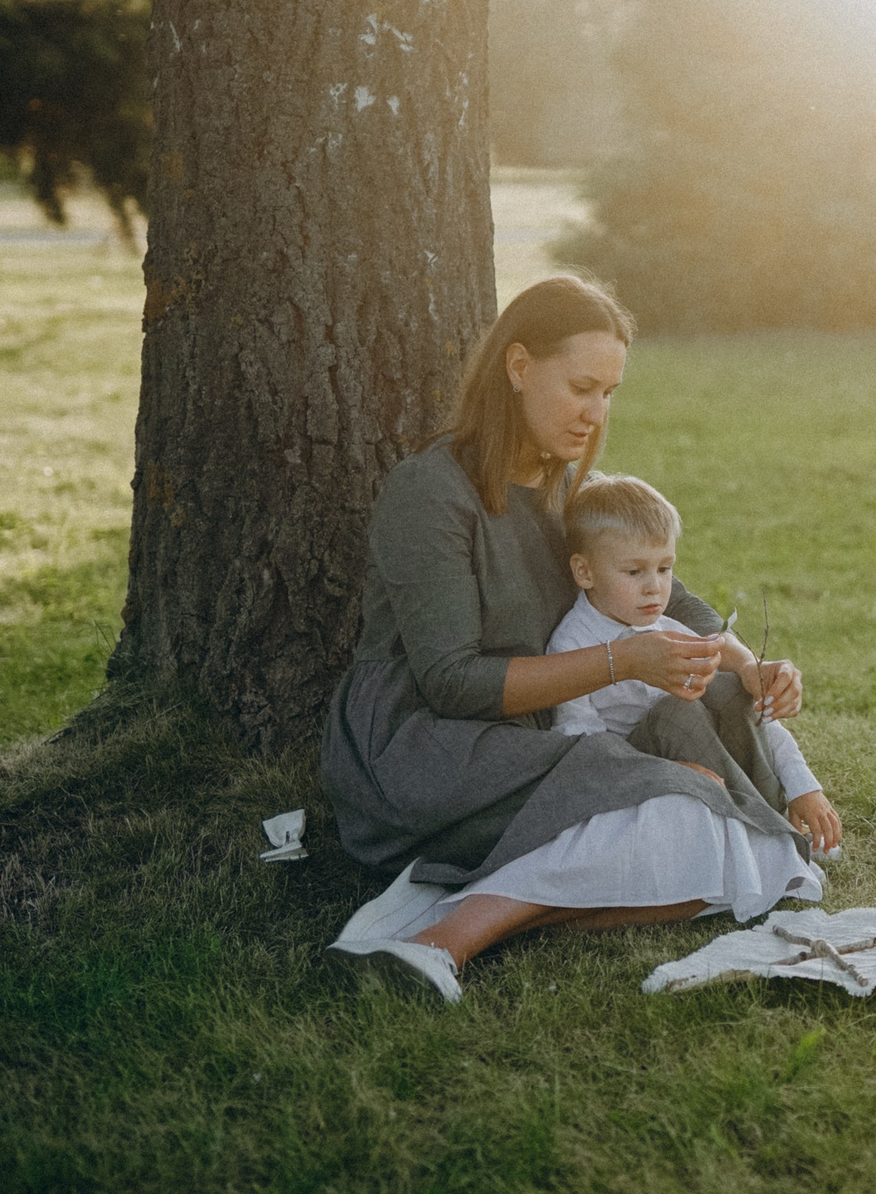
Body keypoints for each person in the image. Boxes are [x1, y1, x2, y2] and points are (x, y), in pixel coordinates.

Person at [320, 275, 821, 1003]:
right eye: (582, 386)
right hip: (427, 746)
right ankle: (442, 944)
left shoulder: (560, 484)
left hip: (539, 737)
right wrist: (621, 660)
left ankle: (487, 915)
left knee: (725, 826)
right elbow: (451, 682)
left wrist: (748, 663)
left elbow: (667, 595)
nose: (596, 413)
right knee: (693, 810)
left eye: (610, 392)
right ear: (518, 367)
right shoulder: (430, 493)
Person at [545, 473, 843, 857]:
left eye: (665, 568)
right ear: (585, 572)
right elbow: (582, 745)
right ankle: (770, 838)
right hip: (629, 767)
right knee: (677, 711)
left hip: (699, 761)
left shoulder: (667, 628)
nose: (654, 587)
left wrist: (806, 785)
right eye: (634, 572)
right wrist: (664, 773)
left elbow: (743, 696)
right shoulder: (572, 645)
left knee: (728, 684)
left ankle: (782, 809)